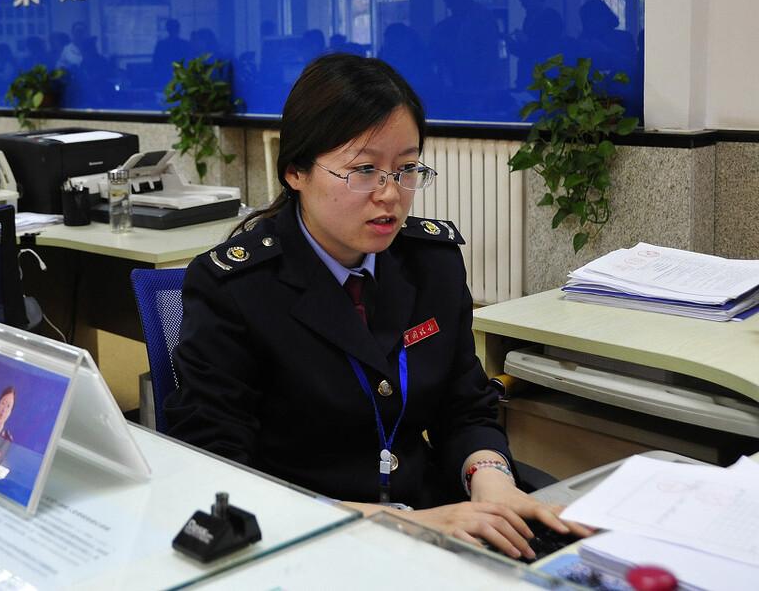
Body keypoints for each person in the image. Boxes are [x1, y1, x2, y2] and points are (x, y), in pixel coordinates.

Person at [166, 54, 590, 559]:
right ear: (296, 170)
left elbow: (464, 407)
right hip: (307, 544)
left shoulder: (431, 264)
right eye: (364, 170)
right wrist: (404, 523)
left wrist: (492, 481)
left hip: (437, 523)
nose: (390, 194)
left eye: (406, 168)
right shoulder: (236, 287)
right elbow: (219, 472)